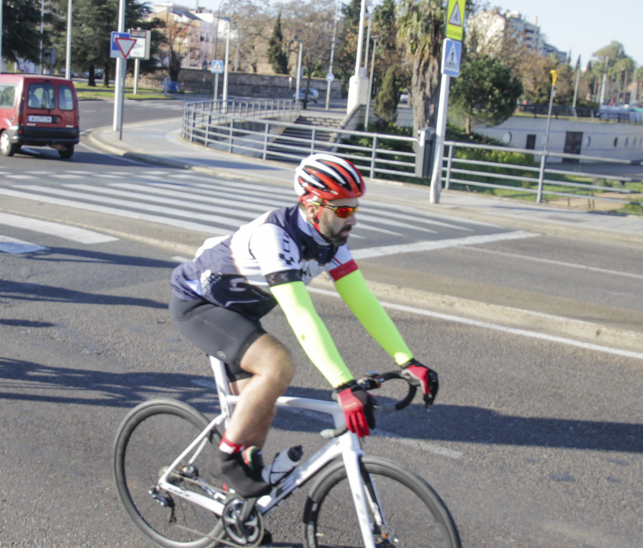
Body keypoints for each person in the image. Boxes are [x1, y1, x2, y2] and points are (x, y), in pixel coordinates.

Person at [169, 153, 440, 498]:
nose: (353, 218)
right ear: (312, 206)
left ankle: (237, 506)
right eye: (342, 210)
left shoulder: (331, 243)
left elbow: (364, 302)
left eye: (355, 208)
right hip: (199, 305)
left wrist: (407, 360)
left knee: (261, 410)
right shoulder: (274, 237)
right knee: (277, 364)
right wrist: (343, 385)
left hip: (239, 314)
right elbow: (301, 314)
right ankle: (223, 460)